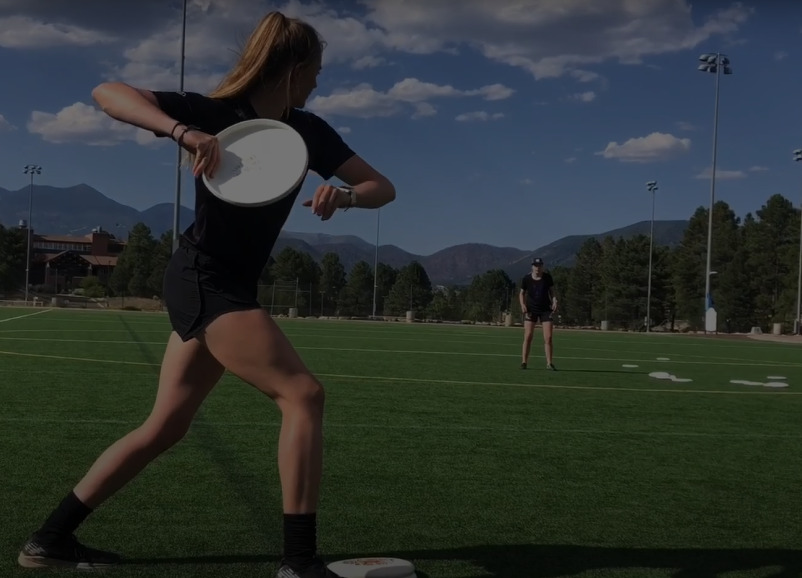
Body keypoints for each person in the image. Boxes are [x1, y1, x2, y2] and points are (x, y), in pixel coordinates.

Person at [17, 11, 395, 578]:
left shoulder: (308, 132)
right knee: (303, 395)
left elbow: (381, 188)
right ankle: (298, 563)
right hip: (204, 277)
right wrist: (183, 131)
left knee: (165, 427)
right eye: (314, 71)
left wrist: (342, 197)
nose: (318, 82)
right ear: (292, 69)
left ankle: (49, 540)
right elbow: (106, 92)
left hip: (228, 284)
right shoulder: (215, 115)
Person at [519, 257, 558, 370]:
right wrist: (522, 304)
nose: (537, 267)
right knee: (528, 336)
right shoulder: (526, 279)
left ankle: (549, 363)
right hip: (531, 310)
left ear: (542, 266)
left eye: (539, 265)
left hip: (546, 310)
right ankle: (524, 362)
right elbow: (521, 293)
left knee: (548, 337)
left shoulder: (547, 277)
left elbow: (552, 291)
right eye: (535, 265)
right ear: (532, 266)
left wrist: (555, 300)